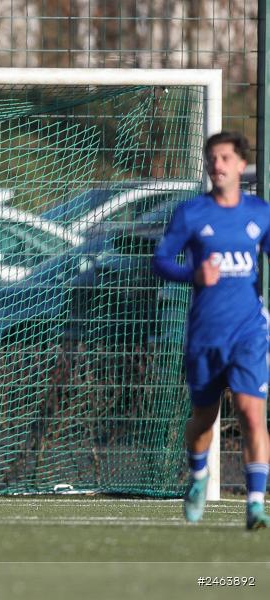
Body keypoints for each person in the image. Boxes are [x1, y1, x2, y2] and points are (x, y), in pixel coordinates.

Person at [153, 130, 270, 530]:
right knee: (204, 419)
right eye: (211, 158)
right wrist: (193, 273)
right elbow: (161, 260)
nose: (216, 165)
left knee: (252, 414)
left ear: (241, 164)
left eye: (224, 158)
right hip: (205, 334)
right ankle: (199, 475)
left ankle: (255, 504)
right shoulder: (191, 213)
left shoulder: (259, 213)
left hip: (249, 332)